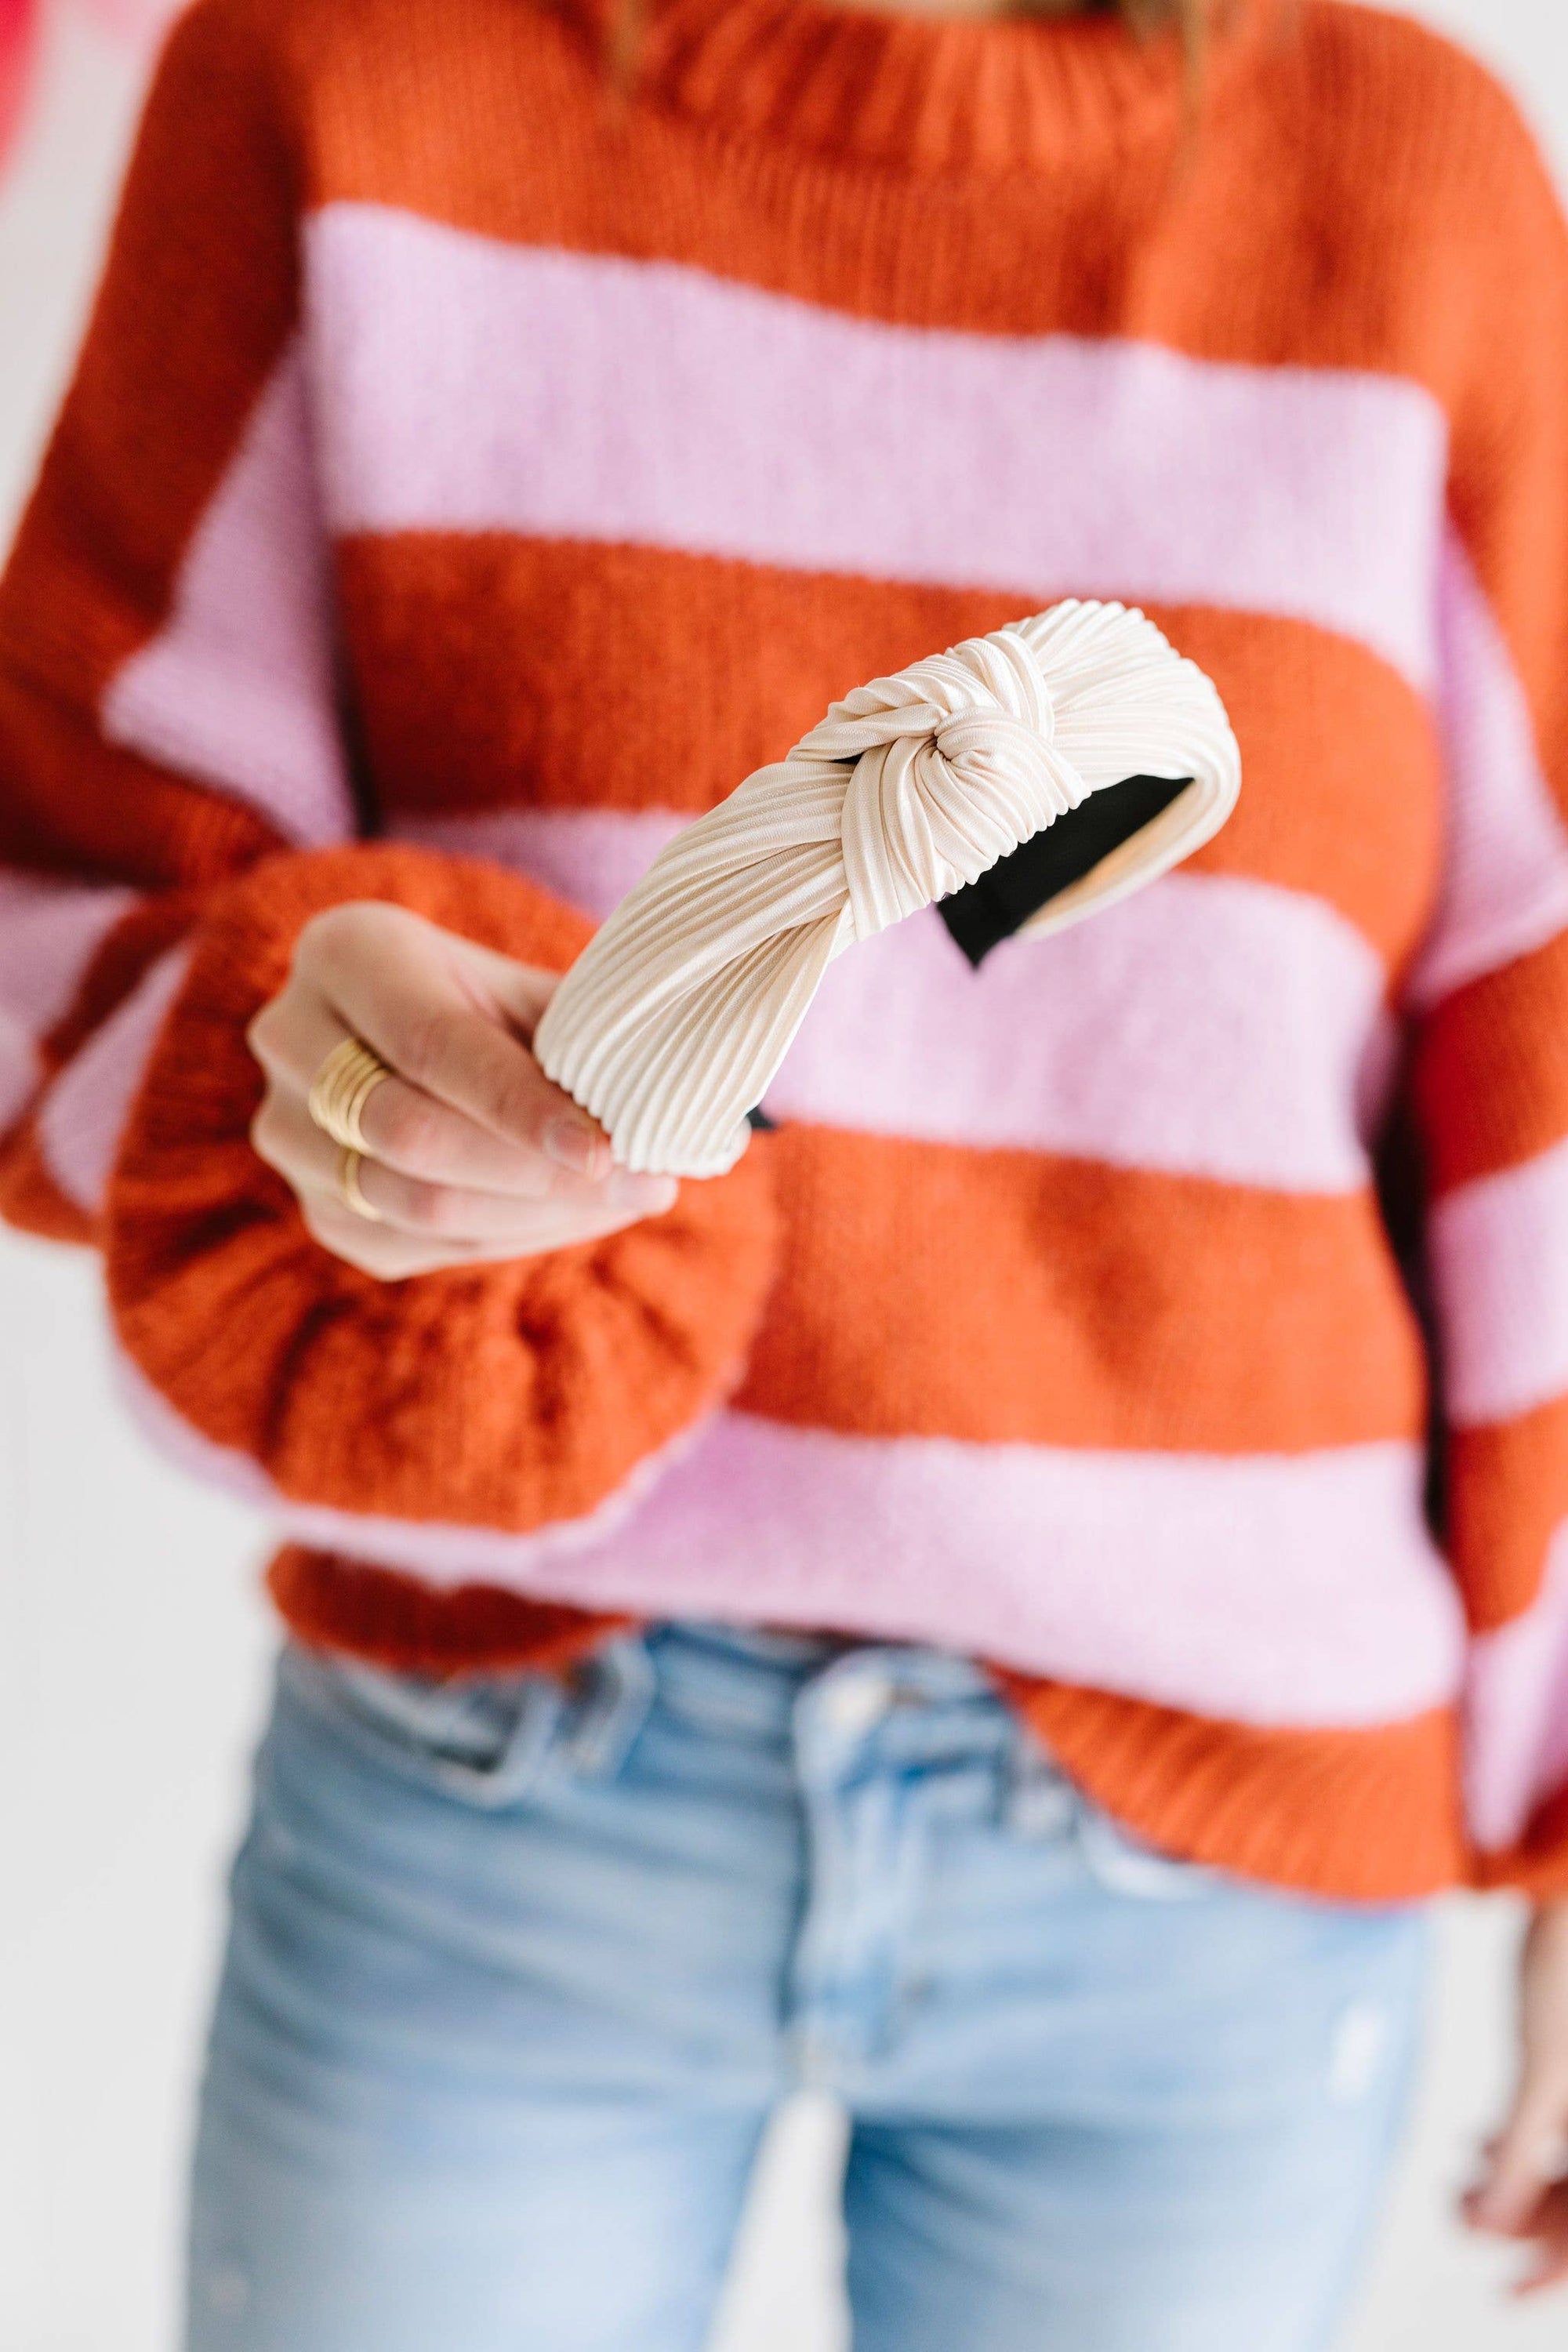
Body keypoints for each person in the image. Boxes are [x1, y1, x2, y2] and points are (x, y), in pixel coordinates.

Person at [3, 0, 1568, 2340]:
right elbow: (50, 908)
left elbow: (1537, 1056)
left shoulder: (1415, 185)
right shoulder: (334, 77)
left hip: (1209, 1881)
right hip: (490, 1793)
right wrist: (288, 1063)